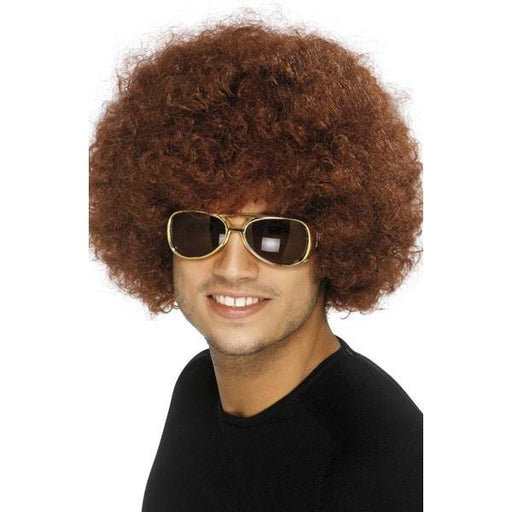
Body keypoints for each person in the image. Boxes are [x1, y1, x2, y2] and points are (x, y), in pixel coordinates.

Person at [89, 18, 423, 512]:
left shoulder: (386, 463)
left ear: (335, 245)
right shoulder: (201, 388)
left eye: (275, 236)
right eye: (203, 230)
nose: (232, 268)